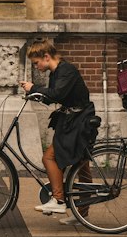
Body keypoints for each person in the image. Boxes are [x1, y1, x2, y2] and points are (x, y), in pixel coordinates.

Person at [19, 36, 96, 216]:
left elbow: (57, 93)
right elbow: (53, 96)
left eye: (36, 62)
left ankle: (58, 200)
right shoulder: (56, 73)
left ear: (47, 57)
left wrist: (34, 88)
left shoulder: (66, 70)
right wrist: (34, 93)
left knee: (49, 158)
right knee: (81, 165)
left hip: (79, 122)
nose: (36, 66)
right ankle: (82, 214)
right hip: (74, 120)